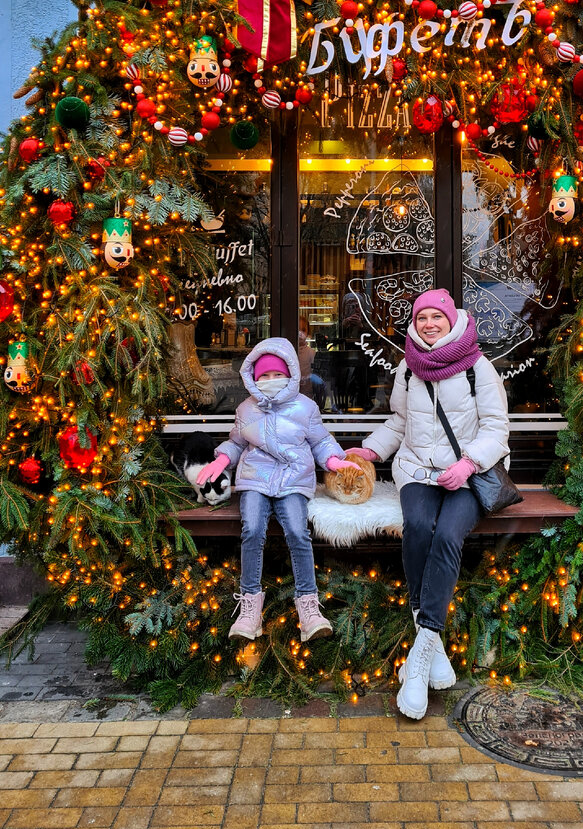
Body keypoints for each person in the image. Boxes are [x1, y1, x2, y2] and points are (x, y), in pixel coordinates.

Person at [352, 289, 510, 719]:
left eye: (435, 317)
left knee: (447, 536)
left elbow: (497, 427)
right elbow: (400, 422)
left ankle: (421, 655)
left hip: (467, 475)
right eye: (421, 318)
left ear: (451, 319)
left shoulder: (478, 367)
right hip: (417, 471)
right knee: (419, 528)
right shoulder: (408, 367)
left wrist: (469, 463)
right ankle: (432, 648)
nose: (428, 324)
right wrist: (371, 451)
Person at [197, 336, 361, 643]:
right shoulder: (246, 409)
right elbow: (236, 442)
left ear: (290, 374)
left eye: (277, 375)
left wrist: (334, 460)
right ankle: (249, 609)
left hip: (292, 479)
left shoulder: (306, 407)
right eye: (264, 376)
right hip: (256, 478)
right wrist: (221, 461)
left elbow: (320, 441)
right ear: (254, 378)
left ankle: (309, 608)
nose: (271, 381)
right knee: (253, 528)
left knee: (298, 532)